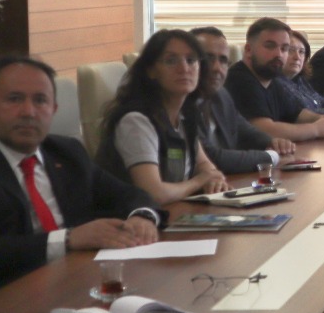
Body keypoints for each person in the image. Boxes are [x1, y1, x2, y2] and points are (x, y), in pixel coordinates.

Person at [0, 55, 159, 305]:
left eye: (40, 100)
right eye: (14, 99)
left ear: (54, 109)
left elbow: (129, 194)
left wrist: (142, 216)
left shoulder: (67, 153)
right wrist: (69, 239)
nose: (28, 112)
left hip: (74, 286)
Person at [95, 29, 229, 205]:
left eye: (191, 60)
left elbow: (206, 167)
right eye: (171, 61)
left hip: (175, 212)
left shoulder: (185, 116)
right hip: (130, 218)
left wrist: (214, 179)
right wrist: (199, 181)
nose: (184, 68)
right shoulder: (135, 121)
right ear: (151, 70)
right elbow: (154, 194)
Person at [191, 27, 295, 175]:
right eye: (208, 59)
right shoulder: (179, 103)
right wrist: (272, 157)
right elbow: (212, 157)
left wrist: (272, 142)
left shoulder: (221, 95)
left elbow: (243, 129)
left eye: (223, 60)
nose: (217, 68)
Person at [226, 17, 324, 142]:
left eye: (284, 48)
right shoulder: (239, 79)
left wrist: (322, 119)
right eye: (270, 46)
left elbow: (297, 114)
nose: (279, 54)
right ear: (248, 50)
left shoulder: (272, 80)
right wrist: (316, 129)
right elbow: (265, 130)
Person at [281, 29, 324, 114]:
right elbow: (302, 114)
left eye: (301, 52)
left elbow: (319, 100)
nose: (297, 57)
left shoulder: (299, 80)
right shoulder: (276, 85)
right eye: (291, 50)